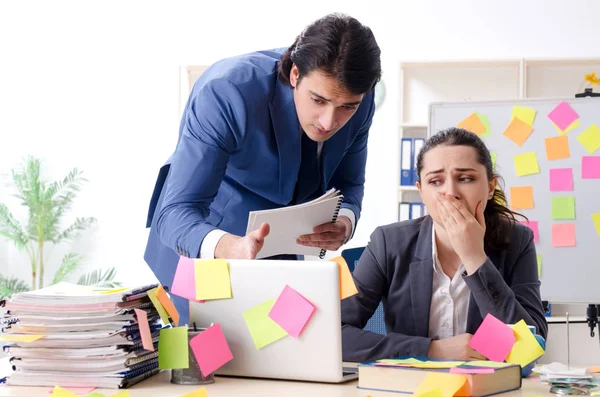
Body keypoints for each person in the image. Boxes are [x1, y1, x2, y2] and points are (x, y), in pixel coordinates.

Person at [144, 13, 381, 324]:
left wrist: (345, 220)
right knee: (208, 363)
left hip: (281, 257)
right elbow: (175, 211)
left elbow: (350, 183)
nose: (328, 122)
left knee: (280, 358)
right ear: (295, 74)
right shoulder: (227, 92)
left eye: (346, 107)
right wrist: (230, 247)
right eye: (318, 100)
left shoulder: (360, 98)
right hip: (204, 249)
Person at [341, 127, 548, 362]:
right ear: (421, 191)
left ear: (490, 188)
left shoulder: (517, 241)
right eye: (435, 181)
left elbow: (532, 345)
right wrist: (430, 350)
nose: (450, 192)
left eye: (465, 178)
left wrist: (475, 259)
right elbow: (335, 334)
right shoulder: (388, 243)